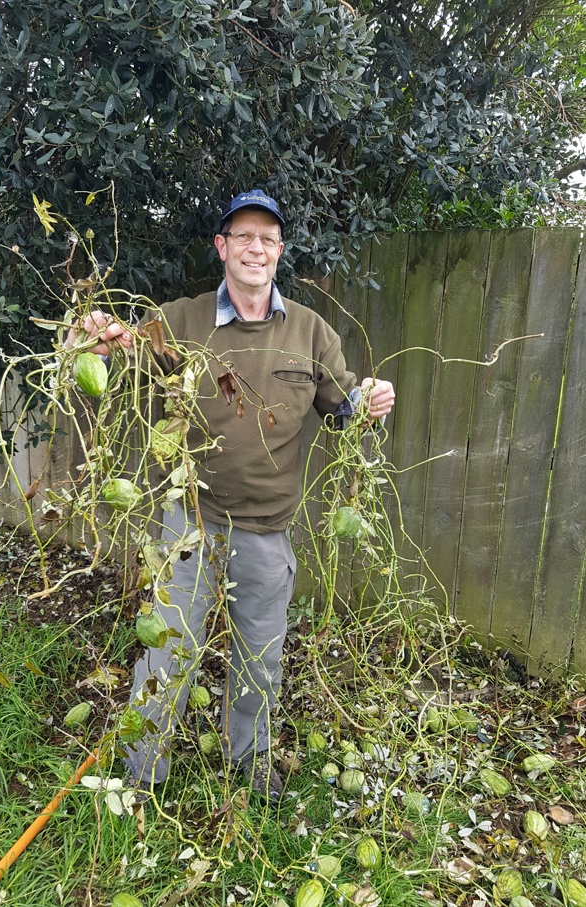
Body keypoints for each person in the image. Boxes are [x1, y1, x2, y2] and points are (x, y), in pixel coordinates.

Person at [76, 189, 395, 803]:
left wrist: (369, 403)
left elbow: (342, 405)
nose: (256, 248)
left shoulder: (310, 330)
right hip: (189, 521)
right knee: (166, 653)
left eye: (267, 238)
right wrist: (103, 337)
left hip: (267, 529)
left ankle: (248, 765)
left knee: (260, 659)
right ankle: (142, 773)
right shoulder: (181, 320)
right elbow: (123, 352)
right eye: (243, 236)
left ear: (280, 251)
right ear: (222, 247)